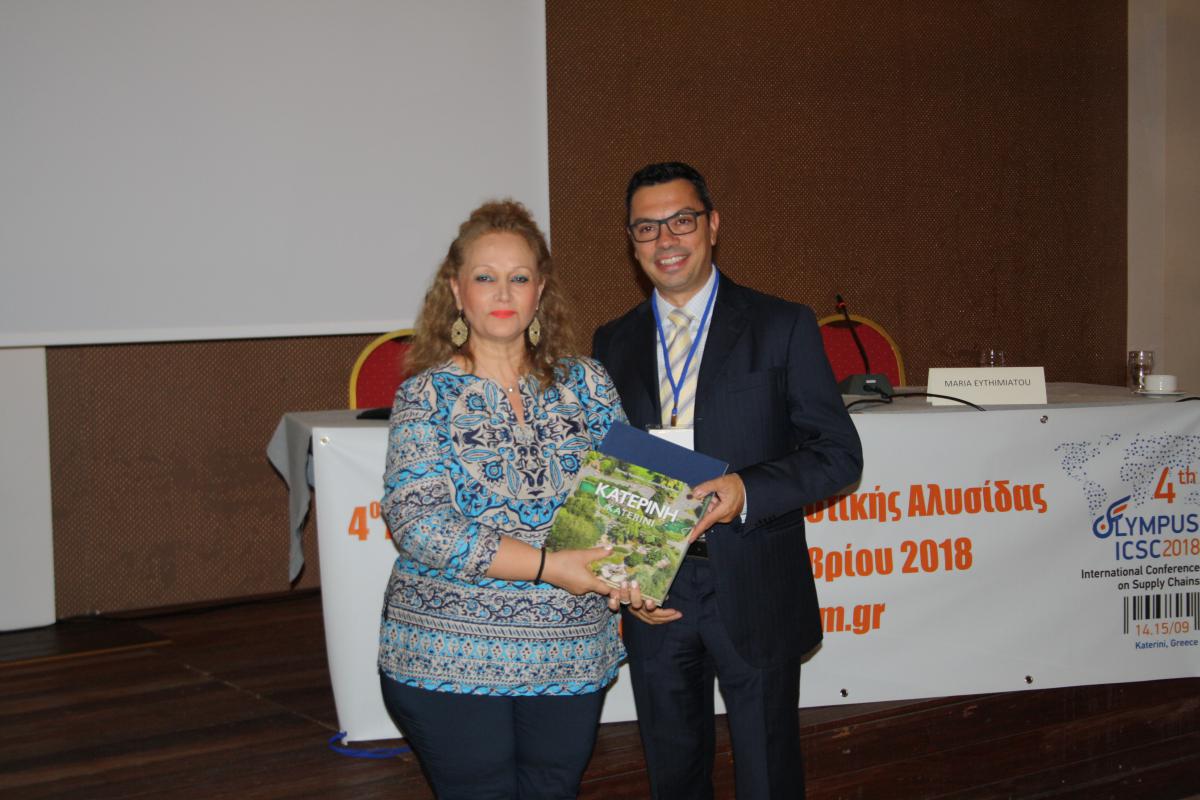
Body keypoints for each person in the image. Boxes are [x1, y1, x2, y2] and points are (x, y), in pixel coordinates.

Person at [593, 162, 863, 799]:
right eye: (647, 228)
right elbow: (608, 469)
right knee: (673, 773)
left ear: (713, 225)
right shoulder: (611, 343)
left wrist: (746, 489)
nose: (666, 240)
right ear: (632, 242)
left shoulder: (781, 324)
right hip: (656, 588)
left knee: (768, 774)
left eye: (681, 221)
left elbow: (837, 455)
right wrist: (624, 575)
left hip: (754, 579)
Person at [378, 200, 625, 799]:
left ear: (541, 290)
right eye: (485, 277)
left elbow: (625, 502)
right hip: (447, 655)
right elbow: (420, 524)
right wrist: (549, 566)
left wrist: (639, 581)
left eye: (519, 277)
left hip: (573, 652)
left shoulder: (590, 383)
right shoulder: (424, 396)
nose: (504, 292)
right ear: (456, 291)